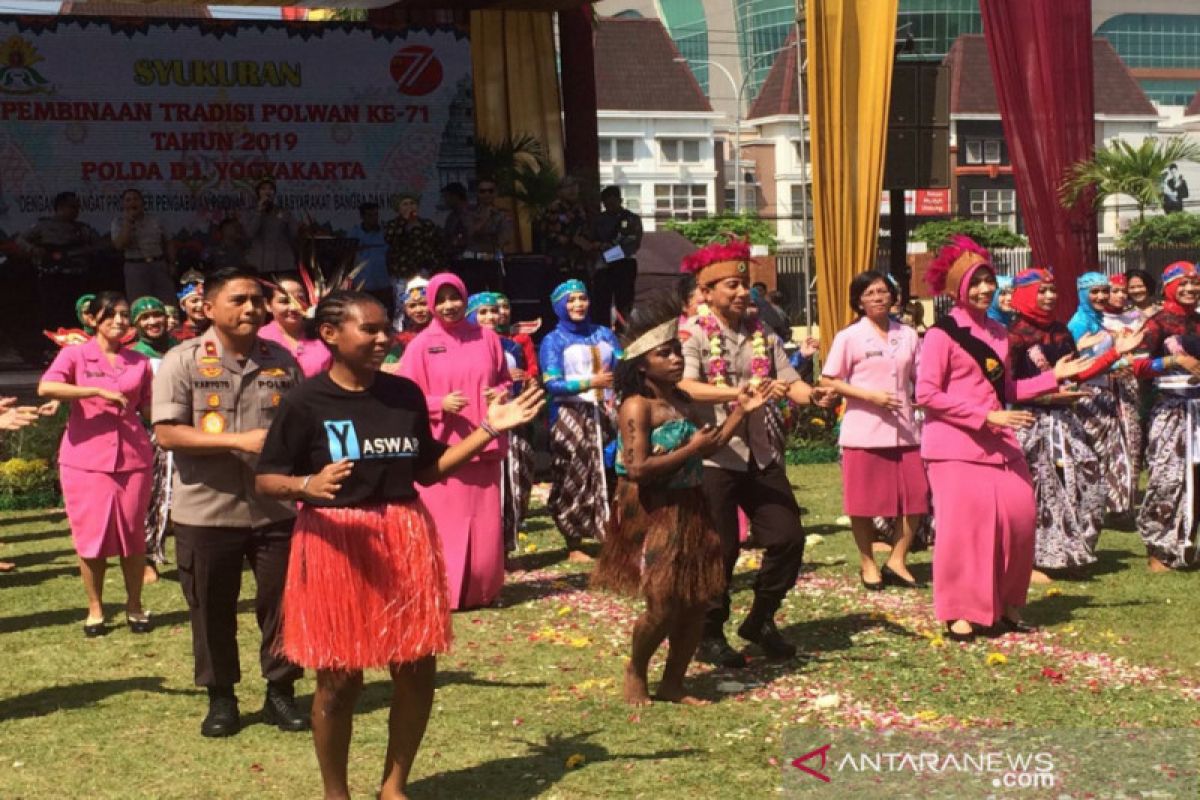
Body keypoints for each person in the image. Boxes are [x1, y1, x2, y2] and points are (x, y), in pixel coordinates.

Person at [255, 289, 545, 800]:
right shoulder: (305, 401)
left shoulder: (404, 395)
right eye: (368, 329)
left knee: (415, 666)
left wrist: (486, 430)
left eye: (384, 328)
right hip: (335, 543)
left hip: (404, 535)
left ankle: (394, 787)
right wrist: (305, 487)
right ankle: (335, 793)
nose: (383, 337)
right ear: (329, 334)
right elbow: (267, 479)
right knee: (338, 680)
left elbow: (428, 470)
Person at [152, 268, 307, 738]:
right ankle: (221, 698)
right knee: (210, 608)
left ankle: (281, 691)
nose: (251, 309)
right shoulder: (182, 361)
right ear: (210, 307)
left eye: (258, 301)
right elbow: (167, 432)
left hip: (274, 507)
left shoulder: (283, 359)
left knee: (283, 604)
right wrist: (241, 440)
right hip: (207, 508)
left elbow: (302, 426)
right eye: (239, 300)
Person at [593, 293, 765, 706]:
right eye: (665, 354)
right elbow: (636, 469)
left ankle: (674, 683)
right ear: (642, 364)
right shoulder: (637, 406)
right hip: (654, 510)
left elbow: (711, 444)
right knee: (663, 603)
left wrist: (741, 411)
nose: (676, 360)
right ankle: (636, 670)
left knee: (695, 601)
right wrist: (690, 450)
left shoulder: (681, 401)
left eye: (676, 353)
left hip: (692, 504)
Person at [916, 238, 1091, 642]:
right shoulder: (942, 334)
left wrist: (1055, 376)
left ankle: (1007, 605)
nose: (984, 289)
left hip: (1001, 441)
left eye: (989, 281)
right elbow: (926, 394)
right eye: (975, 283)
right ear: (958, 288)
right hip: (954, 445)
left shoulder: (998, 332)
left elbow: (1006, 387)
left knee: (1019, 521)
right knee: (964, 531)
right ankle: (960, 611)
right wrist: (984, 415)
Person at [676, 239, 832, 667]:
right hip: (713, 452)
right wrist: (737, 391)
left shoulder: (761, 332)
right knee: (721, 549)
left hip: (760, 451)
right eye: (732, 285)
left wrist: (811, 394)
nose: (743, 292)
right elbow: (686, 386)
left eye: (745, 284)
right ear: (707, 292)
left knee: (787, 538)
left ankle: (761, 619)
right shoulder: (691, 332)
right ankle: (709, 632)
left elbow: (787, 381)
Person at [38, 292, 155, 637]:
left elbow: (149, 408)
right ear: (93, 319)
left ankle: (134, 604)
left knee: (133, 536)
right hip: (85, 459)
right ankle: (95, 608)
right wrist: (95, 393)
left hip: (133, 457)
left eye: (124, 316)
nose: (120, 321)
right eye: (112, 315)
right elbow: (47, 387)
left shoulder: (139, 361)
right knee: (92, 538)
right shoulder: (75, 354)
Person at [1008, 268, 1136, 580]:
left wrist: (1113, 356)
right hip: (1031, 421)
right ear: (1024, 294)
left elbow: (1077, 372)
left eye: (1052, 290)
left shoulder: (1062, 332)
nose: (1050, 297)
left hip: (1067, 418)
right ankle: (1035, 559)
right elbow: (1006, 385)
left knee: (1088, 482)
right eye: (1042, 291)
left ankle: (1070, 550)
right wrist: (1048, 388)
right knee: (1039, 490)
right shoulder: (1013, 336)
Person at [398, 274, 510, 610]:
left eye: (455, 297)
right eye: (441, 299)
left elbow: (505, 379)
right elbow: (406, 395)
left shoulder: (487, 337)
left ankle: (484, 590)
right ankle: (442, 591)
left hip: (484, 443)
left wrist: (499, 393)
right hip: (444, 451)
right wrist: (438, 404)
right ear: (431, 303)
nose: (449, 305)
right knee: (444, 526)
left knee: (486, 526)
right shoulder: (419, 345)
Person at [820, 270, 927, 591]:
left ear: (893, 296)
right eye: (870, 294)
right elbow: (829, 380)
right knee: (862, 502)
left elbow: (921, 378)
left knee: (916, 497)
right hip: (864, 430)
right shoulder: (849, 337)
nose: (878, 298)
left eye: (883, 291)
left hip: (905, 429)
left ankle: (897, 558)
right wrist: (869, 396)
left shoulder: (907, 335)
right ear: (859, 302)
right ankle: (868, 562)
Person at [538, 279, 623, 562]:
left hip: (607, 413)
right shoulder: (553, 340)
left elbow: (623, 365)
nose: (578, 305)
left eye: (582, 299)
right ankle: (573, 540)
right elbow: (552, 384)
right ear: (559, 305)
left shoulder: (604, 333)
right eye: (571, 300)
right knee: (573, 472)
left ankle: (610, 534)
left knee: (608, 470)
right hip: (570, 415)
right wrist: (590, 383)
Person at [1132, 261, 1200, 572]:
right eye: (1182, 284)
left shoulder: (1197, 322)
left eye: (1194, 283)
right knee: (1167, 479)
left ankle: (1185, 544)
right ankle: (1157, 550)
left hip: (1198, 408)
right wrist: (1172, 360)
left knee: (1196, 481)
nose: (1190, 289)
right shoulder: (1157, 323)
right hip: (1170, 409)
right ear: (1169, 287)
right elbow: (1135, 365)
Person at [1067, 272, 1143, 518]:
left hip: (1104, 394)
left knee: (1107, 455)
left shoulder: (1097, 320)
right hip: (1088, 395)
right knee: (1092, 456)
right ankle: (1084, 513)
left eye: (1104, 291)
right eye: (1094, 291)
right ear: (1082, 293)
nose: (1101, 296)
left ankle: (1099, 512)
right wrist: (1118, 363)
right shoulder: (1079, 323)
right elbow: (1082, 367)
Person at [467, 292, 536, 553]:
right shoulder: (464, 346)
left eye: (493, 311)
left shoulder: (513, 347)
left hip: (512, 421)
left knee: (515, 483)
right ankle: (486, 548)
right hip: (478, 424)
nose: (490, 317)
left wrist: (517, 384)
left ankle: (509, 544)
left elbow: (525, 380)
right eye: (482, 312)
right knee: (486, 488)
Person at [128, 296, 176, 580]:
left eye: (157, 315)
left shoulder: (184, 349)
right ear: (136, 324)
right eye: (145, 318)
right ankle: (148, 556)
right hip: (149, 432)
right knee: (152, 494)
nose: (153, 322)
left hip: (185, 429)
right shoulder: (133, 355)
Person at [20, 191, 106, 330]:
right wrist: (34, 250)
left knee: (76, 312)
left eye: (77, 208)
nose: (76, 211)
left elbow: (100, 244)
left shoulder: (82, 228)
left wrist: (80, 252)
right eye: (72, 207)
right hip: (51, 276)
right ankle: (50, 345)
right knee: (51, 311)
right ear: (60, 207)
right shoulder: (44, 226)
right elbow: (21, 240)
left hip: (75, 276)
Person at [1103, 273, 1147, 488]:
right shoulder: (1097, 319)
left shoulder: (1136, 317)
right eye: (1115, 291)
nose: (1121, 295)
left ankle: (1131, 489)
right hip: (1105, 382)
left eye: (1124, 291)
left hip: (1131, 382)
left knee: (1132, 434)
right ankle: (1111, 491)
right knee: (1109, 437)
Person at [112, 188, 176, 307]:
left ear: (142, 202)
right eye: (128, 200)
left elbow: (169, 241)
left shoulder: (156, 220)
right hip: (135, 267)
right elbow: (119, 245)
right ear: (123, 204)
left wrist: (172, 263)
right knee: (139, 304)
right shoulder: (118, 222)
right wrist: (128, 222)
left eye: (136, 199)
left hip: (158, 264)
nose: (132, 202)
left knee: (167, 302)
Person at [259, 277, 333, 378]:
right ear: (267, 305)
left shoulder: (323, 334)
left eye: (301, 299)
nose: (294, 307)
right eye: (284, 301)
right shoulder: (259, 338)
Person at [591, 186, 643, 327]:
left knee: (624, 303)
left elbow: (632, 244)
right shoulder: (598, 220)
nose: (611, 206)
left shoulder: (632, 219)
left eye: (614, 202)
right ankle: (602, 333)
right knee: (601, 303)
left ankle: (623, 334)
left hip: (624, 264)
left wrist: (608, 256)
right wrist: (599, 249)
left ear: (620, 200)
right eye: (607, 203)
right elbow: (590, 241)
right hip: (603, 268)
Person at [537, 176, 594, 281]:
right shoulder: (552, 209)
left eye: (575, 186)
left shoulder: (583, 209)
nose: (572, 189)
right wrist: (573, 240)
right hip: (559, 262)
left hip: (580, 261)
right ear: (559, 191)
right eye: (568, 186)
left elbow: (589, 230)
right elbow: (548, 235)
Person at [243, 178, 300, 275]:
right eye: (263, 189)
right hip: (259, 261)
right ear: (258, 192)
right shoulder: (249, 212)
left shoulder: (284, 212)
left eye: (270, 189)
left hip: (281, 260)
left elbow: (294, 233)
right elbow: (249, 233)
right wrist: (259, 212)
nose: (267, 192)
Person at [349, 202, 393, 316]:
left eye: (375, 215)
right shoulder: (354, 233)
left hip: (384, 284)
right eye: (369, 215)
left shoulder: (385, 232)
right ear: (362, 217)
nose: (373, 218)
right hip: (363, 285)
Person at [383, 276, 431, 371]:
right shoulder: (402, 339)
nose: (418, 310)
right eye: (412, 306)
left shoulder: (446, 331)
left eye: (423, 304)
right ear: (406, 310)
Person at [175, 274, 208, 341]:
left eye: (204, 300)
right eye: (194, 301)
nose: (200, 305)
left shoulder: (218, 330)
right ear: (183, 306)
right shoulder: (176, 335)